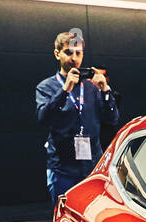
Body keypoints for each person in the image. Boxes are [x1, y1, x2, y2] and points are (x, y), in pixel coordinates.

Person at [35, 29, 118, 207]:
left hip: (92, 167)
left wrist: (105, 89)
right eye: (68, 52)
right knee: (64, 217)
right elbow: (43, 118)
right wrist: (64, 90)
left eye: (78, 53)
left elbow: (112, 119)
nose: (74, 58)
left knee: (91, 218)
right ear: (57, 54)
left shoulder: (92, 87)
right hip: (62, 169)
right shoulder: (46, 87)